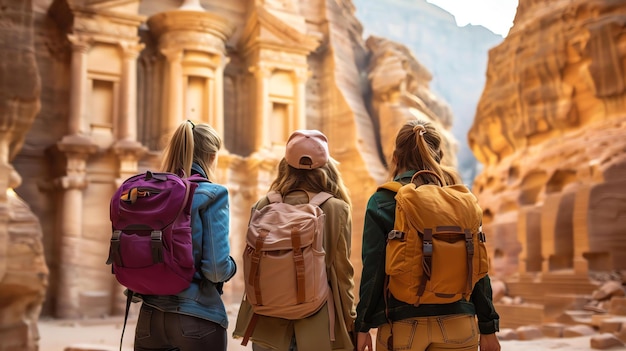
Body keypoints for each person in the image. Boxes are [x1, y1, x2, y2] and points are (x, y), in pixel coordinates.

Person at [355, 119, 501, 351]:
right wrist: (488, 327)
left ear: (396, 157)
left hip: (402, 326)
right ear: (440, 155)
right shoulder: (462, 201)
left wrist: (362, 326)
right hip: (460, 325)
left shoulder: (383, 201)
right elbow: (479, 269)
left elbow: (373, 272)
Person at [233, 129, 356, 351]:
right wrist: (350, 321)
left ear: (285, 164)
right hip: (316, 329)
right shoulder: (336, 208)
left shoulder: (264, 205)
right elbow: (342, 275)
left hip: (265, 327)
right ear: (325, 166)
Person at [133, 120, 237, 351]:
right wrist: (233, 266)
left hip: (149, 317)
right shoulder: (212, 193)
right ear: (211, 156)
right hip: (197, 316)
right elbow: (216, 269)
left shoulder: (151, 192)